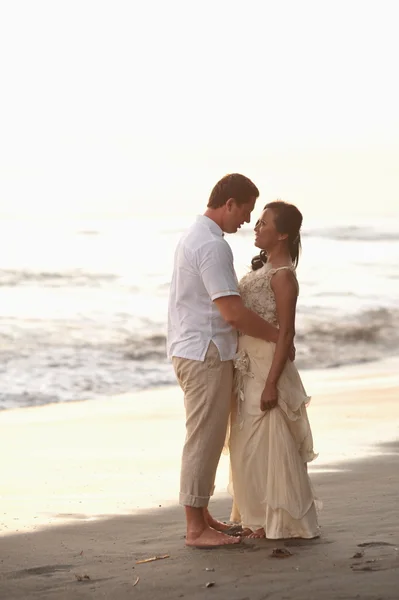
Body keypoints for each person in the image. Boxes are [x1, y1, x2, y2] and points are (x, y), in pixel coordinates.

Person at [167, 174, 288, 548]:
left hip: (194, 347)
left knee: (209, 433)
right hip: (205, 351)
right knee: (204, 437)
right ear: (229, 203)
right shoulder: (212, 246)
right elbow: (232, 312)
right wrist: (276, 334)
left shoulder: (196, 236)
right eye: (246, 210)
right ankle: (194, 529)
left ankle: (202, 516)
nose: (246, 221)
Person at [229, 200, 319, 540]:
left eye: (264, 223)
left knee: (267, 442)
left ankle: (278, 522)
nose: (256, 227)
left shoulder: (283, 278)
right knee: (246, 444)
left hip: (268, 366)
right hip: (246, 364)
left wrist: (271, 384)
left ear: (282, 234)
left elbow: (287, 333)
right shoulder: (260, 271)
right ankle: (256, 518)